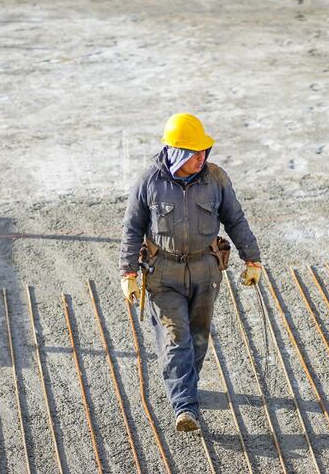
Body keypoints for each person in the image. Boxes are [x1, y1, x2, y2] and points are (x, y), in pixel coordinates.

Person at [119, 113, 262, 432]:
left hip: (205, 271)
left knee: (197, 338)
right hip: (163, 274)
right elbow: (132, 229)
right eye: (193, 152)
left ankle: (186, 383)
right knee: (175, 338)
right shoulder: (149, 183)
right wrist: (128, 273)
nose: (201, 157)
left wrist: (253, 260)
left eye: (203, 151)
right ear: (176, 152)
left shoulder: (216, 179)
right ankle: (185, 406)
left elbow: (235, 220)